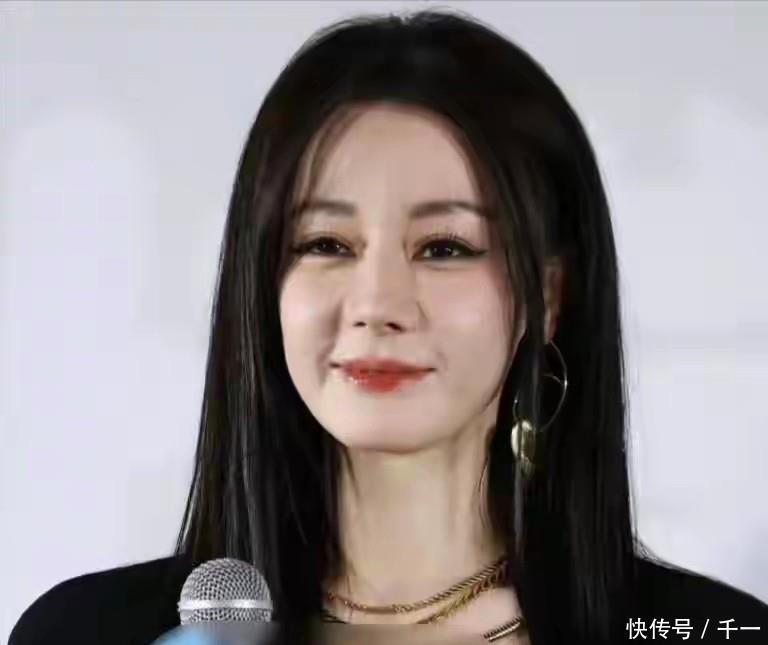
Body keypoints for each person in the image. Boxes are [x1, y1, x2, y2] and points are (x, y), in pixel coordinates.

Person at [10, 8, 768, 645]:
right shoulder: (92, 631)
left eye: (445, 247)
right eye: (325, 244)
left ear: (548, 293)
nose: (377, 303)